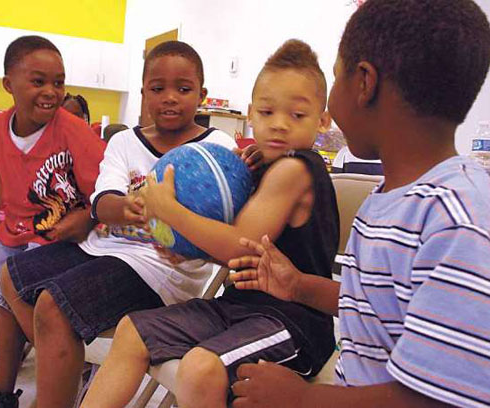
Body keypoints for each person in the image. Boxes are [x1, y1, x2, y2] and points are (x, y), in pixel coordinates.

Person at [226, 1, 490, 407]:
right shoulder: (389, 197)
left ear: (364, 82)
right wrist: (299, 285)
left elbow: (435, 398)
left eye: (335, 76)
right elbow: (377, 304)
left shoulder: (456, 216)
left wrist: (301, 400)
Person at [0, 40, 237, 408]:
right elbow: (102, 200)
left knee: (53, 306)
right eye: (158, 89)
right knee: (12, 274)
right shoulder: (125, 142)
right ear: (143, 93)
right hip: (102, 247)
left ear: (201, 95)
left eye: (183, 89)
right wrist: (129, 206)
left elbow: (227, 218)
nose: (170, 98)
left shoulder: (218, 146)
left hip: (160, 268)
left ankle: (59, 378)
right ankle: (54, 369)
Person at [82, 39, 338, 408]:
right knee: (132, 330)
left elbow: (239, 246)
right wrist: (179, 246)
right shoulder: (255, 167)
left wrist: (168, 211)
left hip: (293, 324)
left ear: (322, 119)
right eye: (267, 113)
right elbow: (231, 253)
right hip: (238, 307)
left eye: (297, 116)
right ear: (251, 113)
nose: (279, 125)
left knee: (201, 368)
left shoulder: (294, 170)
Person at [0, 34, 104, 391]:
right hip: (12, 232)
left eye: (58, 82)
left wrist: (88, 218)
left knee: (8, 302)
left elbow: (107, 191)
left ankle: (60, 361)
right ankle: (12, 346)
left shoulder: (74, 132)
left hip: (56, 238)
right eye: (38, 81)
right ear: (8, 85)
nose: (51, 91)